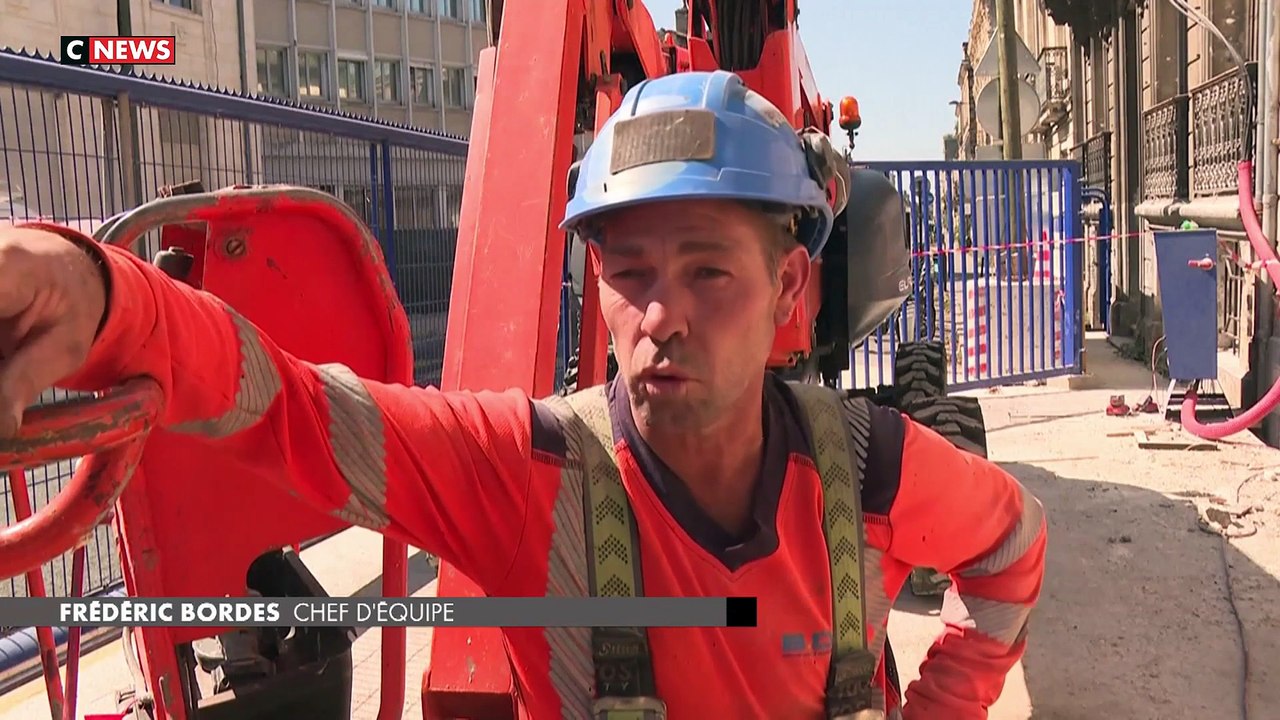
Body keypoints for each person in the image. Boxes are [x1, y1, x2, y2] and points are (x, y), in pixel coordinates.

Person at [0, 70, 1044, 719]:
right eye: (627, 271)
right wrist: (100, 296)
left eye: (706, 270)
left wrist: (947, 707)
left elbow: (1009, 545)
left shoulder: (869, 463)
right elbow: (294, 408)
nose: (660, 315)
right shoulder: (526, 471)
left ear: (787, 287)